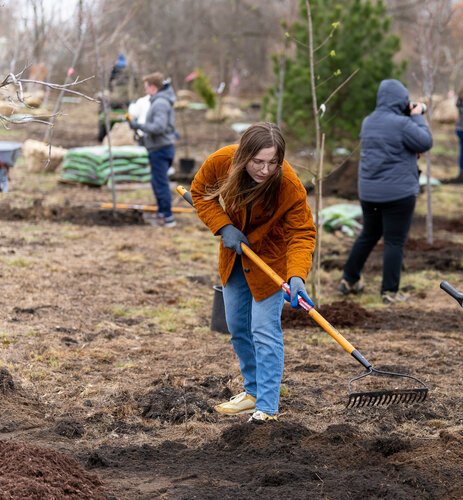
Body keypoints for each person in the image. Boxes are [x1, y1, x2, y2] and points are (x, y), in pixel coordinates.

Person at [191, 122, 316, 423]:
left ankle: (268, 408)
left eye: (273, 162)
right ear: (244, 155)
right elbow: (200, 193)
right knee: (237, 328)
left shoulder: (288, 185)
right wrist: (224, 227)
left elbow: (302, 232)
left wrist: (296, 275)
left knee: (264, 330)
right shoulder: (222, 161)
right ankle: (253, 392)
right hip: (235, 257)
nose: (264, 170)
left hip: (270, 263)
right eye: (258, 162)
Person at [337, 79, 432, 304]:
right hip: (398, 193)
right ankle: (389, 292)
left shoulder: (368, 122)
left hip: (369, 192)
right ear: (402, 101)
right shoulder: (403, 124)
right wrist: (418, 115)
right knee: (394, 241)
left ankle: (349, 279)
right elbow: (425, 141)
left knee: (368, 234)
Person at [129, 72, 178, 227]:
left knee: (160, 183)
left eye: (146, 87)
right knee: (157, 182)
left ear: (152, 87)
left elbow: (159, 127)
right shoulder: (159, 101)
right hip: (159, 148)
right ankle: (162, 214)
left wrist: (139, 126)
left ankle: (167, 217)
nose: (145, 91)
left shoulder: (160, 103)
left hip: (160, 149)